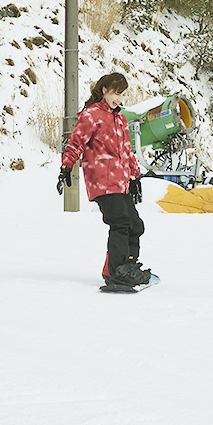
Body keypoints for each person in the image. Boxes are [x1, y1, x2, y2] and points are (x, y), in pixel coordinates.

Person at [57, 72, 153, 288]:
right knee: (120, 222)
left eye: (122, 95)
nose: (118, 99)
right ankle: (115, 271)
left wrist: (135, 176)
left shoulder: (121, 119)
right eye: (115, 94)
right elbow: (75, 142)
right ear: (104, 91)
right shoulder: (91, 115)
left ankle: (129, 267)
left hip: (121, 181)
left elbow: (127, 151)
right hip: (102, 180)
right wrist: (66, 166)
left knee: (135, 225)